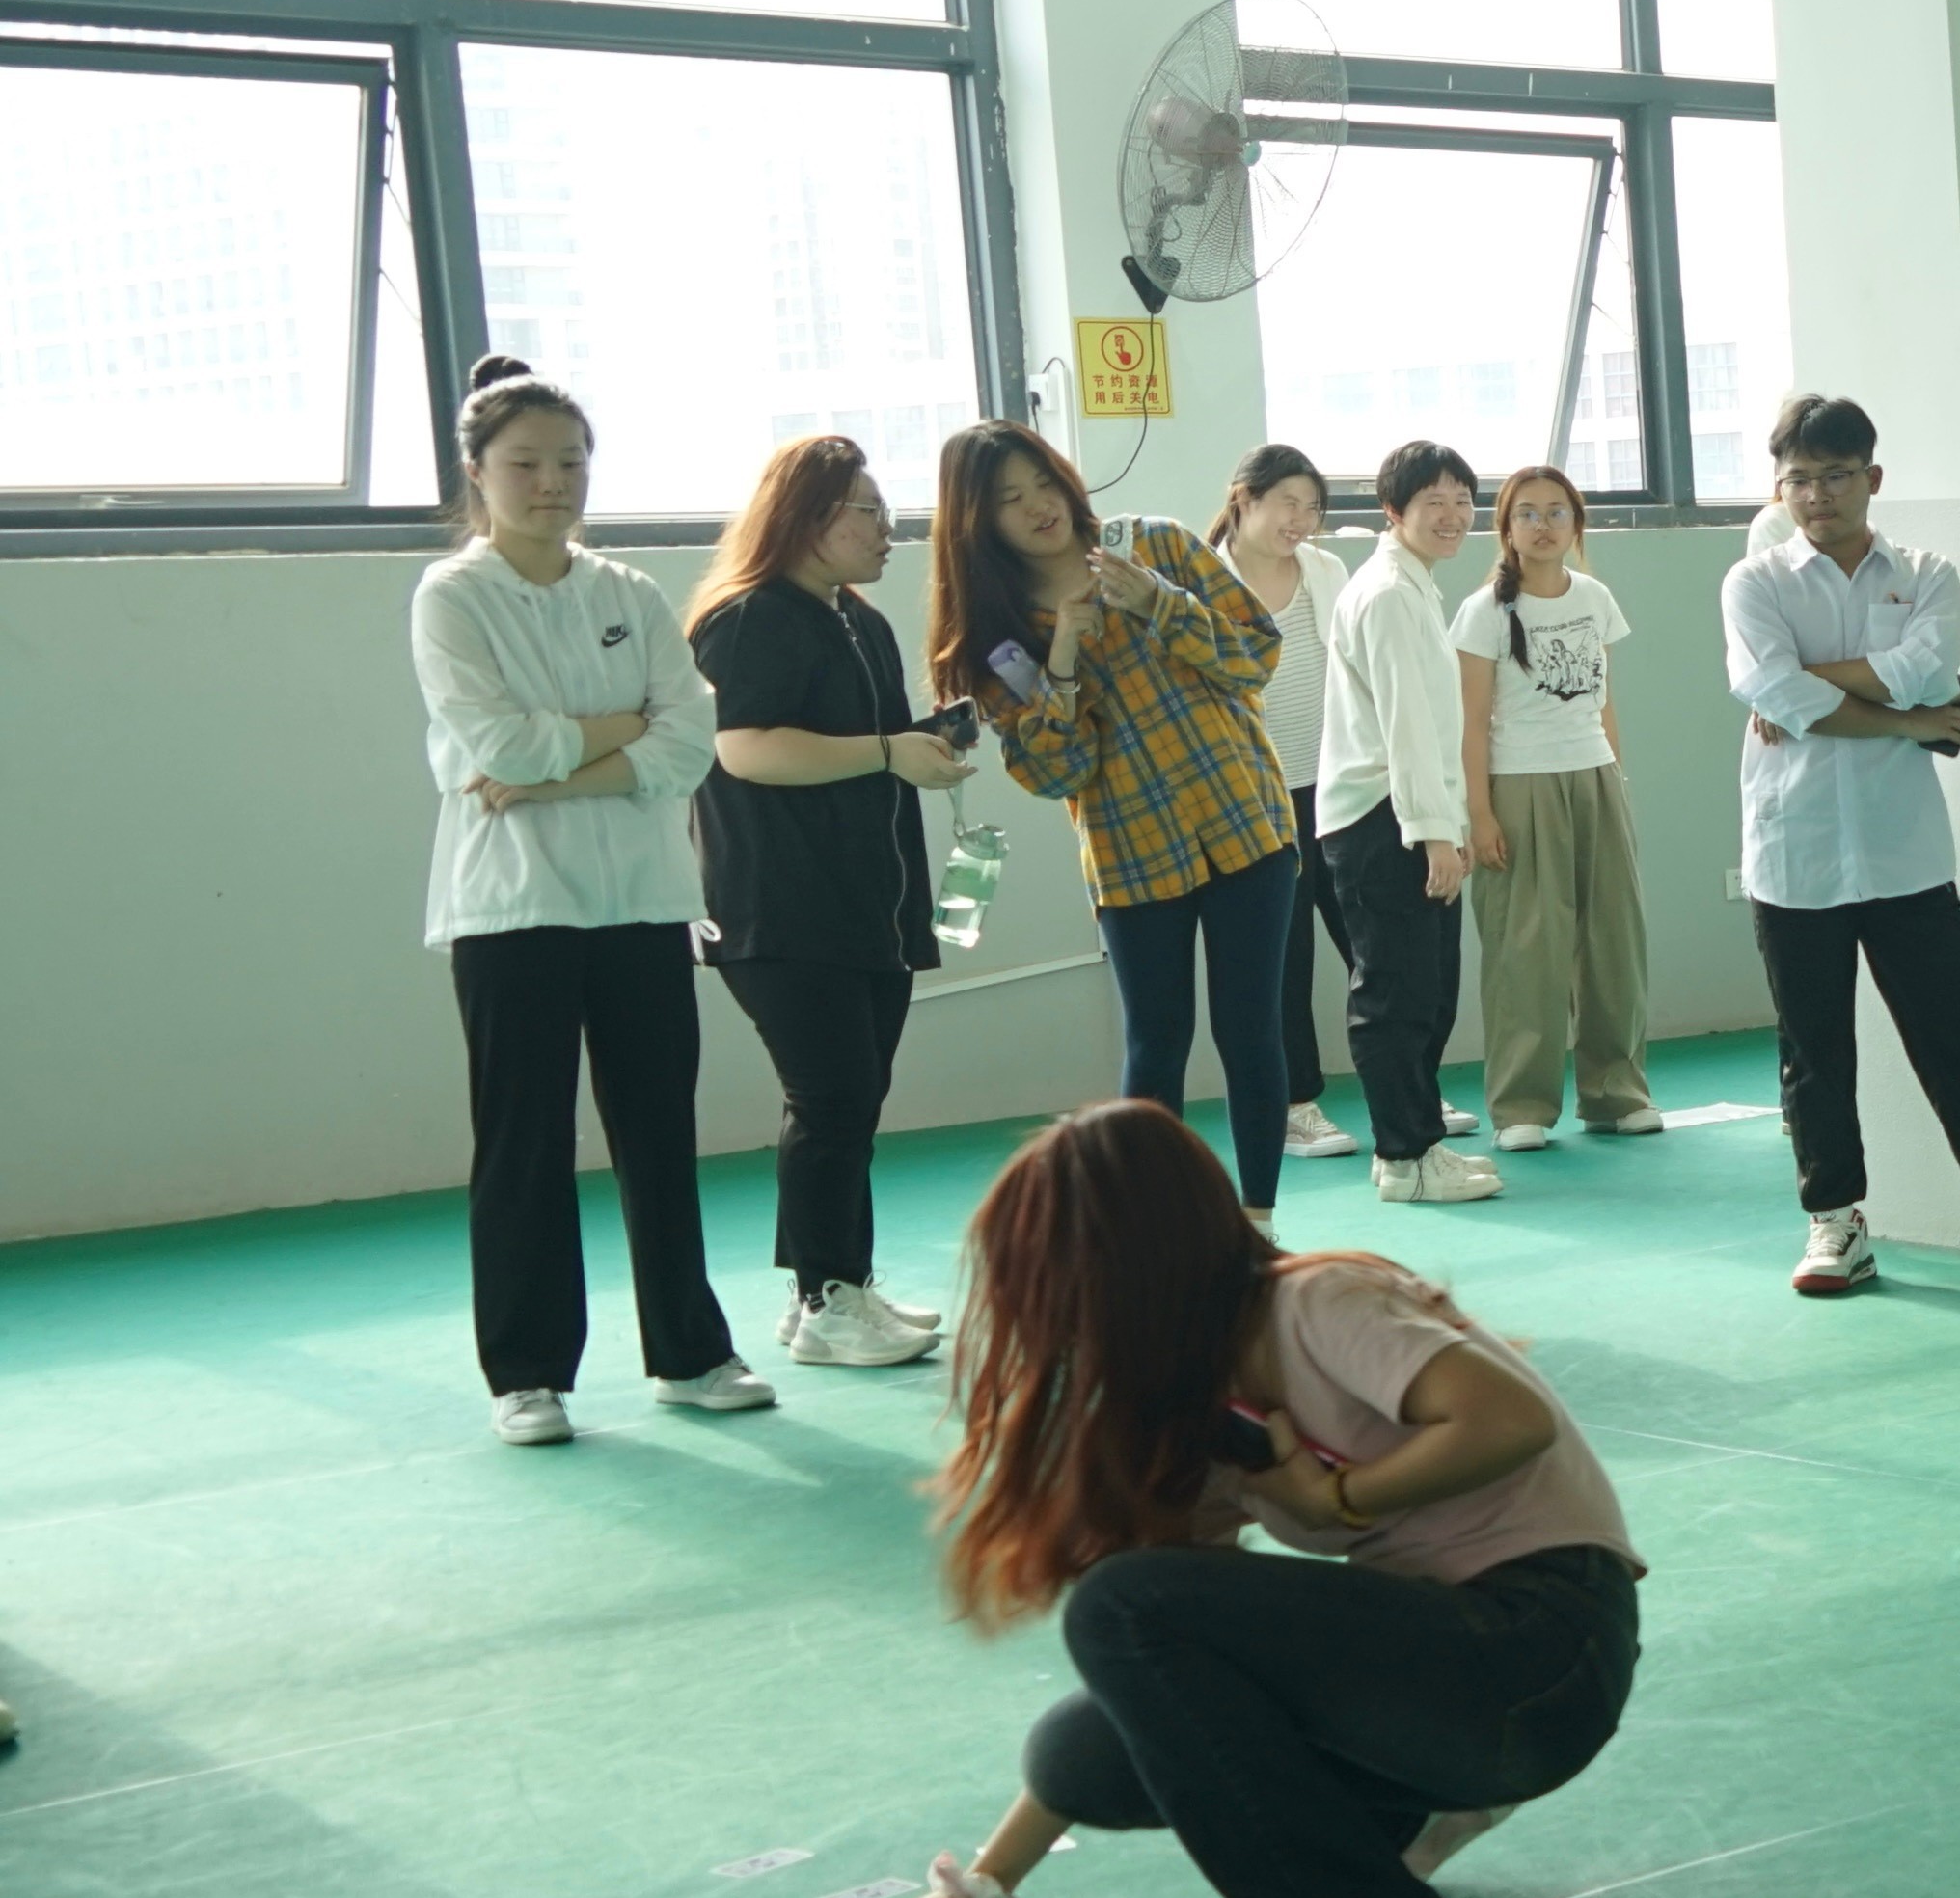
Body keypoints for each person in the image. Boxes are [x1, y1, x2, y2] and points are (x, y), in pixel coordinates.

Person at [848, 1101, 1643, 1898]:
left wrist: (1335, 1496)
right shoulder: (1202, 1400)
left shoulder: (1317, 1301)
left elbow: (1508, 1419)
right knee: (1080, 1750)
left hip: (1541, 1648)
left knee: (1122, 1602)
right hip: (1452, 1684)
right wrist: (980, 1885)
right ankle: (1401, 1820)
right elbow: (1157, 1666)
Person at [411, 359, 758, 1445]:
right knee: (522, 1143)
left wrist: (562, 772)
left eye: (570, 461)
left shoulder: (631, 593)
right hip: (513, 910)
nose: (553, 482)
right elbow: (500, 745)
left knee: (660, 1135)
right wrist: (622, 732)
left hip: (643, 901)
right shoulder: (452, 596)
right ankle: (526, 1373)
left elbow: (690, 741)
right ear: (477, 474)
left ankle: (690, 1353)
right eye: (525, 464)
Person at [1724, 393, 1960, 1292]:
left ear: (1873, 478)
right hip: (1795, 853)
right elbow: (1784, 693)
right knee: (1813, 1054)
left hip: (1905, 852)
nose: (1816, 495)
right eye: (1798, 480)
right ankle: (1835, 1227)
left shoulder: (1929, 573)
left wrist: (1804, 684)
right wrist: (1903, 719)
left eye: (1835, 476)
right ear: (1780, 488)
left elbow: (1927, 670)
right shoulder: (1755, 582)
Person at [934, 424, 1308, 1213]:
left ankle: (1259, 1220)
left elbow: (1256, 657)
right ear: (977, 522)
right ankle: (1154, 1236)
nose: (1038, 506)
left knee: (1251, 1032)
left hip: (1245, 822)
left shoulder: (1156, 546)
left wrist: (1160, 604)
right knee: (1156, 1045)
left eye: (1043, 481)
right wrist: (1063, 661)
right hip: (1131, 855)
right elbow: (1055, 772)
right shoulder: (998, 641)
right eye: (1008, 499)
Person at [690, 432, 966, 1368]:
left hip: (869, 907)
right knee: (832, 1095)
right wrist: (889, 751)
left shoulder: (860, 621)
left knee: (851, 1097)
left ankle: (834, 1282)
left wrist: (927, 741)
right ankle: (825, 1299)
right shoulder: (748, 619)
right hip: (780, 907)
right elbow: (745, 747)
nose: (889, 529)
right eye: (869, 511)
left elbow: (871, 745)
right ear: (808, 517)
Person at [1449, 463, 1657, 1149]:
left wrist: (1617, 780)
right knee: (1524, 952)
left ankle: (1617, 1094)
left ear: (1577, 524)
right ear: (1506, 529)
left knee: (1614, 944)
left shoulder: (1594, 596)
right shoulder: (1484, 612)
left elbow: (1605, 700)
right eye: (1528, 514)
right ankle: (1522, 1109)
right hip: (1519, 785)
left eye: (1557, 512)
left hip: (1594, 778)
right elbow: (1471, 725)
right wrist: (1480, 815)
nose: (1543, 526)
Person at [1319, 442, 1496, 1206]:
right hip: (1383, 820)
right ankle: (1404, 1156)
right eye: (1434, 502)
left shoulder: (1413, 581)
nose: (1453, 516)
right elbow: (1407, 725)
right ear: (1394, 511)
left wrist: (1445, 822)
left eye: (1462, 500)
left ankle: (1418, 1142)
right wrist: (1433, 832)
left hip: (1407, 815)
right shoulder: (1390, 593)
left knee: (1428, 991)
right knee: (1396, 994)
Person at [1208, 447, 1365, 1163]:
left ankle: (1402, 1086)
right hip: (1254, 800)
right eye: (1287, 504)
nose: (1301, 521)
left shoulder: (1326, 571)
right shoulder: (1202, 579)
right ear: (1244, 498)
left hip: (1337, 788)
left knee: (1373, 942)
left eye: (1312, 508)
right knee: (1284, 960)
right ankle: (1294, 1105)